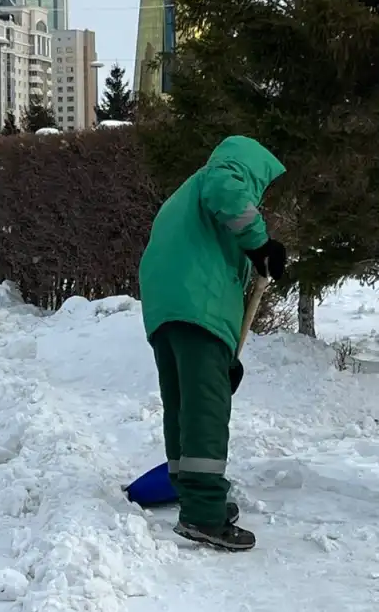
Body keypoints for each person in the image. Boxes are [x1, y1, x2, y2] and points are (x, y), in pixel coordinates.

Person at [137, 136, 287, 553]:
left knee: (183, 404)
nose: (259, 197)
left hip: (167, 310)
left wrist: (227, 358)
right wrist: (261, 244)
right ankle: (203, 514)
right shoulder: (221, 177)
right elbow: (229, 193)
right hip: (197, 307)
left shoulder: (185, 200)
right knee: (206, 409)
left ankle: (191, 494)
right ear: (250, 169)